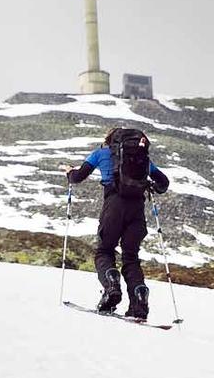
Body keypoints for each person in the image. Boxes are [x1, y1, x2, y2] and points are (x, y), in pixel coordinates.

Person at [65, 128, 169, 320]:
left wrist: (69, 173)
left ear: (109, 140)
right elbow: (163, 182)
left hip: (113, 206)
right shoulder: (142, 159)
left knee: (105, 250)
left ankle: (111, 285)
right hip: (137, 210)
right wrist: (153, 187)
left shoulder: (101, 153)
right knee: (131, 257)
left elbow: (78, 177)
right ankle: (139, 298)